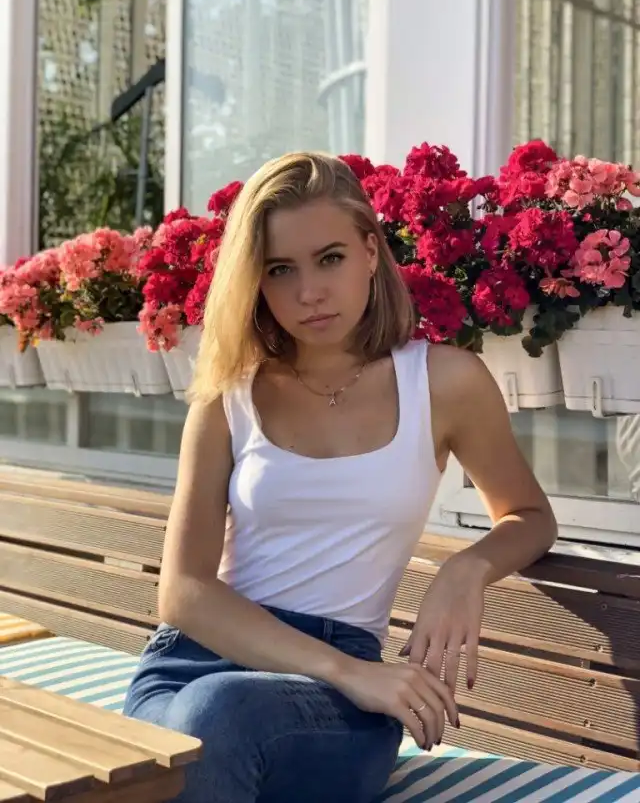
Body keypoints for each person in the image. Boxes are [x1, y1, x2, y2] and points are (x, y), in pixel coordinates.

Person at [122, 151, 558, 802]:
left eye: (329, 258)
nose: (309, 293)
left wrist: (465, 569)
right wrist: (347, 670)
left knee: (216, 721)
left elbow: (530, 517)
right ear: (255, 281)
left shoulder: (443, 382)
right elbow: (183, 593)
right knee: (203, 721)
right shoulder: (228, 395)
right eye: (280, 269)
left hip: (335, 707)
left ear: (370, 252)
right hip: (195, 667)